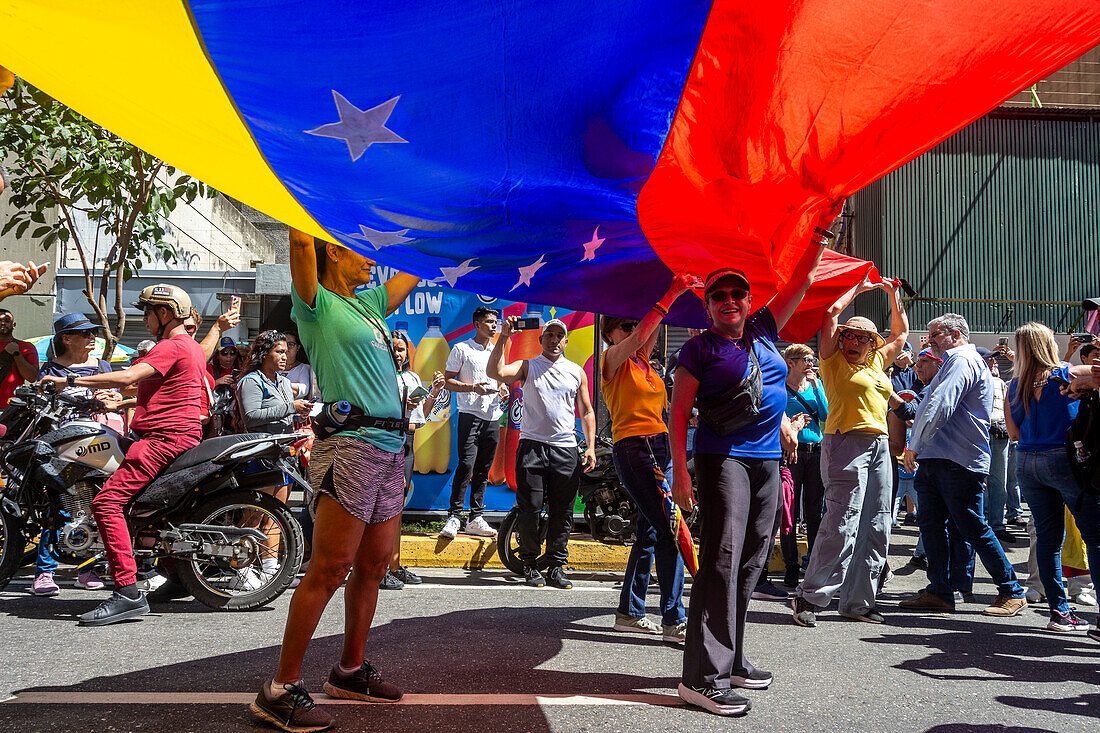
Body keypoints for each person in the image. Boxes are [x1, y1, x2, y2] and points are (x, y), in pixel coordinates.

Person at [250, 229, 419, 733]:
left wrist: (442, 228)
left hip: (391, 451)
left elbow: (413, 268)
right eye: (360, 251)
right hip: (350, 447)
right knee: (330, 568)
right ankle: (278, 689)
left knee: (373, 565)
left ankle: (348, 672)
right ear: (333, 251)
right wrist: (305, 182)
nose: (372, 260)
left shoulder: (369, 304)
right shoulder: (314, 304)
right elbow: (301, 245)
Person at [670, 217, 833, 717]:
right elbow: (678, 416)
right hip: (724, 461)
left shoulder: (763, 328)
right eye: (719, 296)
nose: (729, 302)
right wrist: (681, 472)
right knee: (720, 559)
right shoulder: (698, 348)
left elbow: (801, 281)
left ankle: (733, 659)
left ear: (747, 301)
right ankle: (701, 678)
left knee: (751, 562)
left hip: (767, 461)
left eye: (737, 295)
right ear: (708, 305)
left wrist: (821, 235)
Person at [39, 284, 207, 626]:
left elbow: (130, 375)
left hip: (163, 439)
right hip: (174, 435)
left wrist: (69, 379)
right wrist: (126, 402)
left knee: (106, 503)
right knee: (146, 508)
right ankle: (174, 577)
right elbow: (174, 391)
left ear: (164, 314)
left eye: (147, 311)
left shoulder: (170, 345)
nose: (143, 317)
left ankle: (127, 593)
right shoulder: (188, 346)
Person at [791, 273, 908, 629]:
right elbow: (829, 314)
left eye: (862, 338)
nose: (854, 341)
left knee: (878, 523)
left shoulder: (875, 363)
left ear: (871, 344)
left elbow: (901, 333)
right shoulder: (831, 361)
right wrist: (861, 287)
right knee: (842, 521)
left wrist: (892, 294)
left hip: (878, 445)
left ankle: (858, 601)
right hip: (844, 443)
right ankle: (809, 597)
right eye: (849, 336)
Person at [899, 314, 1027, 617]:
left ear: (955, 334)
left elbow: (941, 404)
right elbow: (933, 406)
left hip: (956, 460)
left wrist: (914, 445)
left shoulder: (962, 360)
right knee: (934, 527)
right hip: (941, 458)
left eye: (934, 334)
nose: (929, 340)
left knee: (972, 526)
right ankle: (939, 591)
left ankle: (1011, 590)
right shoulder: (955, 362)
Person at [601, 273, 696, 643]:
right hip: (635, 447)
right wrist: (671, 290)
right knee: (672, 532)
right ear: (611, 332)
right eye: (625, 325)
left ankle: (629, 611)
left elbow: (652, 330)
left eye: (633, 323)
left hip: (659, 446)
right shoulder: (613, 360)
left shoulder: (647, 365)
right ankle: (675, 619)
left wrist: (666, 292)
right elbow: (643, 334)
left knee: (652, 530)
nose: (634, 329)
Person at [487, 316, 597, 590]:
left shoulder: (576, 371)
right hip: (532, 447)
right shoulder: (528, 365)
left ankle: (557, 566)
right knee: (530, 509)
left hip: (565, 449)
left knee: (563, 512)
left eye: (559, 336)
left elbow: (586, 410)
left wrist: (591, 447)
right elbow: (496, 373)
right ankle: (529, 564)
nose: (554, 340)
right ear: (541, 340)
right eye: (549, 335)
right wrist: (504, 336)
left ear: (566, 341)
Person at [1006, 322, 1099, 636]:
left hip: (1027, 461)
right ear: (1050, 343)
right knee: (1094, 537)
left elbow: (1014, 432)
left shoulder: (1015, 384)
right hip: (1063, 459)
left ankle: (1059, 612)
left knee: (1048, 541)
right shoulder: (1067, 373)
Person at [30, 313, 125, 597]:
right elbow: (42, 406)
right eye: (84, 334)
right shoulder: (51, 370)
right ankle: (45, 572)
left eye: (92, 333)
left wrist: (113, 400)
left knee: (92, 504)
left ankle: (86, 569)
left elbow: (116, 394)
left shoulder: (103, 366)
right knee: (57, 505)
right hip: (63, 444)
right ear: (66, 339)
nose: (91, 338)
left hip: (97, 442)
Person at [381, 331, 444, 591]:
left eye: (401, 349)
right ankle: (379, 568)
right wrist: (399, 405)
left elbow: (420, 419)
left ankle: (395, 566)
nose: (397, 354)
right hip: (385, 440)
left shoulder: (412, 377)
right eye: (393, 349)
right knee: (382, 510)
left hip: (406, 442)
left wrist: (433, 393)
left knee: (397, 509)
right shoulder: (379, 377)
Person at [440, 306, 504, 539]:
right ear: (476, 325)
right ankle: (454, 516)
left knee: (483, 469)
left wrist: (503, 388)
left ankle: (475, 517)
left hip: (493, 416)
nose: (494, 325)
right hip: (469, 414)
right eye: (489, 322)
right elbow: (447, 381)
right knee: (466, 465)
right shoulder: (462, 348)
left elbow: (500, 378)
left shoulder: (498, 350)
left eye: (496, 321)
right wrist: (472, 388)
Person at [781, 343, 829, 587]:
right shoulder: (782, 387)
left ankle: (813, 562)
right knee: (789, 511)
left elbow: (825, 415)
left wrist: (818, 386)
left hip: (815, 451)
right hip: (792, 453)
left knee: (814, 511)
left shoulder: (813, 386)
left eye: (812, 359)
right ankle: (791, 565)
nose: (811, 364)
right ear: (791, 362)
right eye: (805, 359)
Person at [976, 346, 1016, 545]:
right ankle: (980, 523)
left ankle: (997, 525)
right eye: (988, 359)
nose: (992, 362)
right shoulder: (973, 380)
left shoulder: (1000, 382)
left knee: (999, 483)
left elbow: (1008, 408)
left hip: (1000, 436)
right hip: (980, 435)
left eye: (993, 359)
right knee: (980, 482)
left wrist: (1009, 432)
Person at [0, 307, 40, 409]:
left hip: (11, 407)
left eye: (7, 321)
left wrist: (16, 354)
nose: (3, 323)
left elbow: (32, 377)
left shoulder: (26, 347)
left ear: (14, 325)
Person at [208, 336, 241, 434]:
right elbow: (201, 388)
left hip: (235, 416)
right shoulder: (209, 369)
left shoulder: (242, 370)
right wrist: (217, 382)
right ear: (217, 355)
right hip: (215, 415)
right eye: (224, 353)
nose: (229, 356)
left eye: (232, 353)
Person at [282, 329, 319, 402]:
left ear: (298, 348)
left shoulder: (304, 368)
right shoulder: (273, 366)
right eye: (284, 344)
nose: (287, 348)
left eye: (291, 344)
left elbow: (303, 390)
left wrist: (273, 386)